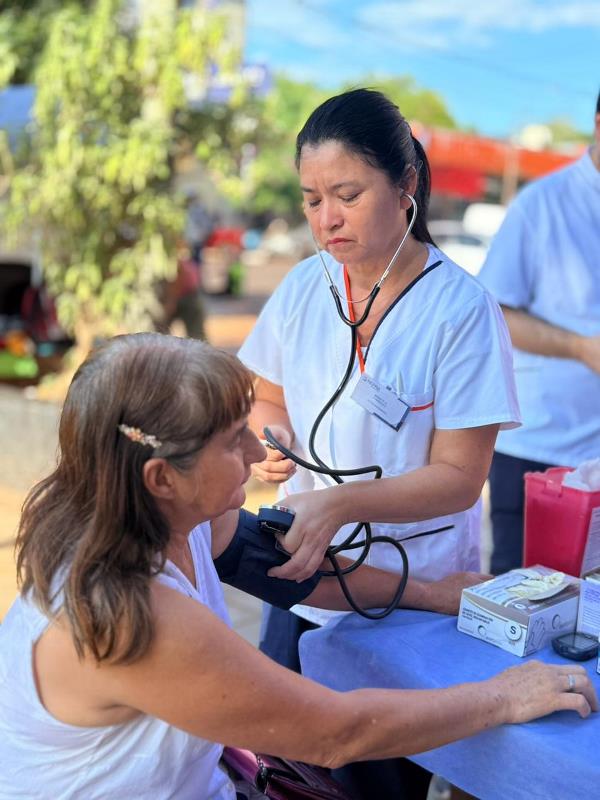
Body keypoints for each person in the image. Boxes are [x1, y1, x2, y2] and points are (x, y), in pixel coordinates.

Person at [0, 332, 595, 800]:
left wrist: (436, 593)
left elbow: (285, 562)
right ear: (162, 479)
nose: (260, 454)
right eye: (234, 440)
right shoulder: (134, 613)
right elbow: (337, 733)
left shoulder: (157, 517)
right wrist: (502, 698)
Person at [237, 87, 522, 798]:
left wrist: (338, 505)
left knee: (376, 777)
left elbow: (459, 477)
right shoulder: (305, 287)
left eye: (347, 194)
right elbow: (265, 393)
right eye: (310, 200)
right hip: (303, 578)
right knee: (288, 770)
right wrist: (268, 437)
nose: (326, 219)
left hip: (415, 591)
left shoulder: (462, 312)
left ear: (407, 188)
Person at [477, 88, 600, 575]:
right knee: (522, 607)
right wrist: (580, 347)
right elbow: (495, 314)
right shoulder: (543, 205)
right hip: (538, 455)